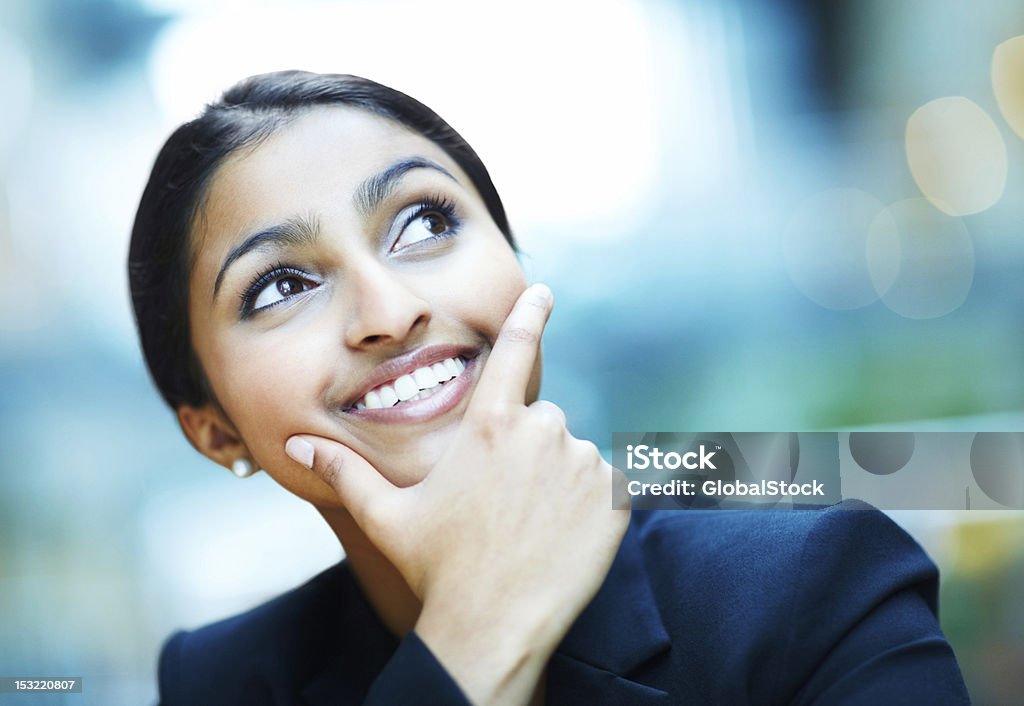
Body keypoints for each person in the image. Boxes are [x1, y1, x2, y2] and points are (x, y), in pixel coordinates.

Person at [130, 71, 970, 705]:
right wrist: (471, 640)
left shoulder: (816, 586)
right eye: (280, 286)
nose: (389, 312)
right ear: (213, 430)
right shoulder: (221, 678)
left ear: (515, 263)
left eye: (426, 224)